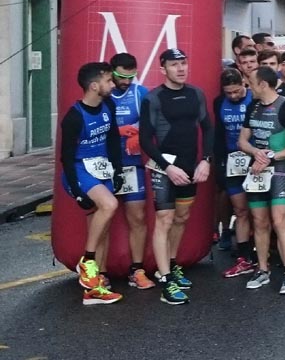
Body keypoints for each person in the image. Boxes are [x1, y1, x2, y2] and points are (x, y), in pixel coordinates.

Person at [139, 48, 214, 305]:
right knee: (165, 219)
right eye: (174, 64)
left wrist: (206, 160)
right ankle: (166, 281)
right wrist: (167, 167)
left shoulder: (196, 94)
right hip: (164, 168)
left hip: (190, 165)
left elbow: (208, 128)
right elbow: (145, 140)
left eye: (183, 63)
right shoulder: (153, 98)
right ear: (163, 69)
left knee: (182, 217)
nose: (181, 68)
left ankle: (172, 264)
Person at [60, 62, 125, 305]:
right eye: (108, 81)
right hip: (79, 170)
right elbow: (66, 157)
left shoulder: (108, 105)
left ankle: (95, 287)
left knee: (103, 226)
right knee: (109, 205)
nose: (113, 84)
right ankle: (87, 261)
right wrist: (77, 191)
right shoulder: (74, 117)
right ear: (94, 86)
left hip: (102, 169)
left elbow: (113, 139)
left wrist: (117, 171)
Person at [237, 66, 285, 294]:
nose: (248, 87)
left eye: (251, 83)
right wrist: (256, 153)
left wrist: (271, 156)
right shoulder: (253, 106)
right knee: (259, 221)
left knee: (279, 221)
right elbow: (242, 141)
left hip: (279, 170)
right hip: (257, 170)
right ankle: (262, 269)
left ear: (263, 84)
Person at [107, 53, 155, 291]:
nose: (126, 81)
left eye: (131, 76)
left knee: (137, 216)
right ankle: (99, 272)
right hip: (105, 165)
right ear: (112, 73)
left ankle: (137, 269)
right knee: (103, 217)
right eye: (121, 77)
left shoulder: (140, 93)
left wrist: (140, 133)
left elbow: (152, 122)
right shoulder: (104, 93)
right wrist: (117, 131)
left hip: (131, 165)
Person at [213, 69, 256, 280]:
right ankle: (243, 255)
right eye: (228, 93)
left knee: (257, 210)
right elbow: (218, 133)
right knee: (240, 210)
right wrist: (219, 163)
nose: (233, 96)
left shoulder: (254, 99)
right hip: (232, 161)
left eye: (236, 91)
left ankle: (259, 250)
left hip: (255, 159)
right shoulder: (219, 102)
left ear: (244, 84)